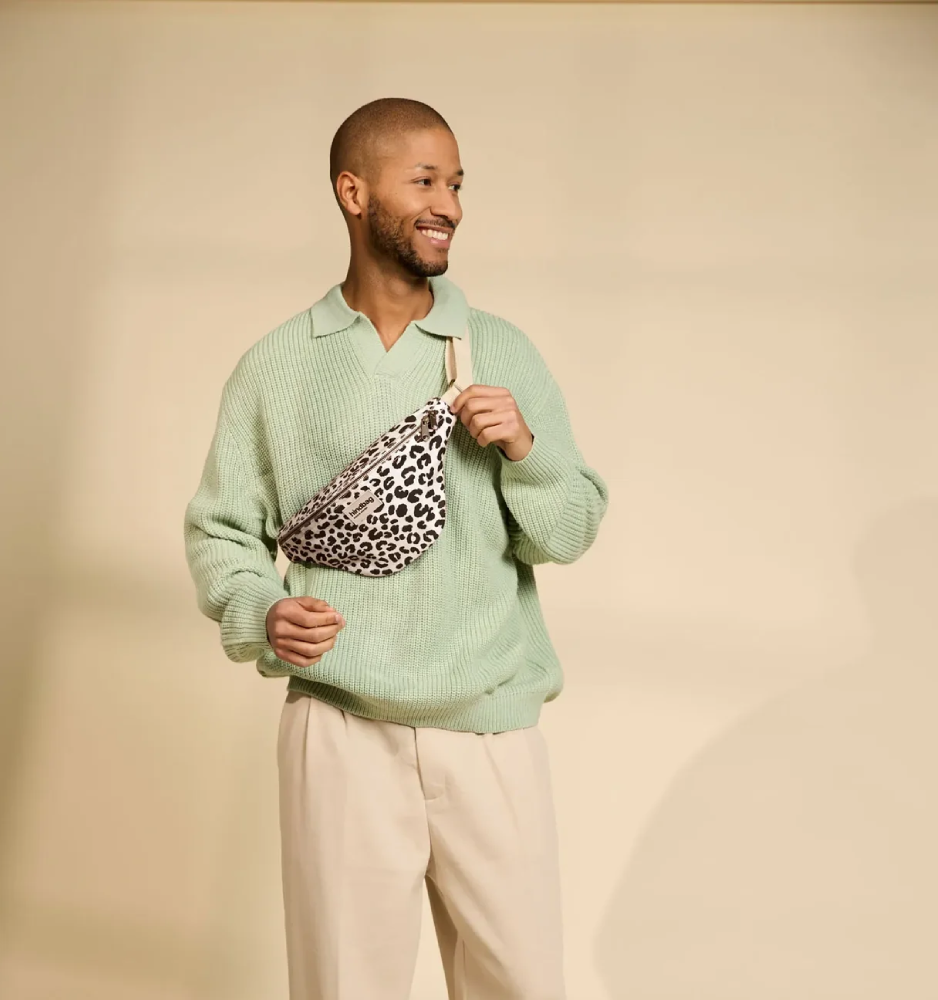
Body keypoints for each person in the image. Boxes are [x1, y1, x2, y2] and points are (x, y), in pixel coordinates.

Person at [184, 97, 609, 1000]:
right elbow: (223, 532)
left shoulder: (497, 351)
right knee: (344, 987)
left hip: (491, 722)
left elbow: (569, 529)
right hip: (340, 728)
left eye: (456, 185)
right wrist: (262, 609)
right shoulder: (276, 366)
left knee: (523, 985)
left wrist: (525, 450)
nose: (448, 205)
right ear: (354, 193)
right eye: (424, 181)